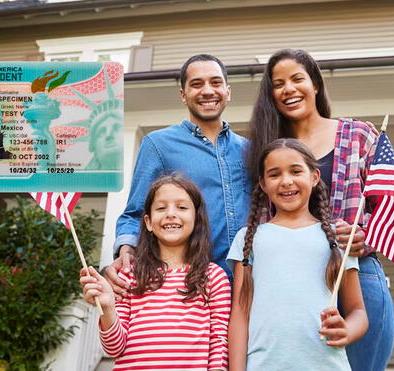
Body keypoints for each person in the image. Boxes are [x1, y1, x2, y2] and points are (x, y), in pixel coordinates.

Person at [246, 48, 394, 371]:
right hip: (293, 283)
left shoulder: (359, 135)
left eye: (298, 78)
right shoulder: (270, 150)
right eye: (278, 83)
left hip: (356, 275)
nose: (289, 89)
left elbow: (388, 205)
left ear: (315, 84)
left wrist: (364, 234)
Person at [104, 54, 250, 298]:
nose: (207, 91)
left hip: (247, 286)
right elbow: (136, 213)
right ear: (183, 95)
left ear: (228, 91)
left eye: (215, 83)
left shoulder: (250, 150)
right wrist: (126, 249)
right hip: (189, 289)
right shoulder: (158, 145)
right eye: (196, 84)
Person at [227, 138, 368, 370]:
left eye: (295, 171)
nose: (286, 181)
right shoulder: (247, 239)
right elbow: (240, 314)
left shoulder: (338, 237)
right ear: (263, 184)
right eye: (274, 174)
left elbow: (358, 312)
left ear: (314, 177)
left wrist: (347, 330)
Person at [80, 174, 231, 371]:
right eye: (161, 208)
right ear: (149, 222)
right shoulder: (129, 276)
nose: (170, 213)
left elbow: (219, 343)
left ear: (196, 219)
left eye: (182, 207)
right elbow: (113, 348)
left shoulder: (214, 277)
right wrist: (107, 308)